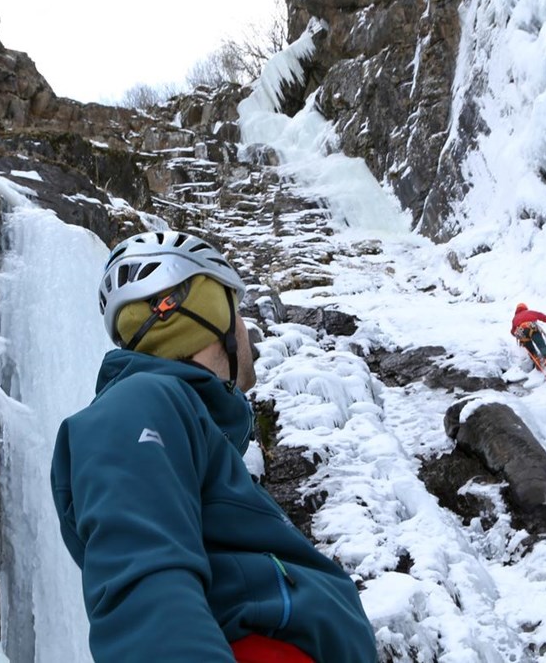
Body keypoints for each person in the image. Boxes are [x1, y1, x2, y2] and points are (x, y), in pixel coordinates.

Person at [51, 231, 377, 662]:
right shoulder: (140, 404)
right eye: (234, 310)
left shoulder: (182, 423)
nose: (245, 331)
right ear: (200, 316)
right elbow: (148, 594)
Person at [511, 302, 546, 371]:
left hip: (522, 332)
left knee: (529, 346)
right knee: (540, 344)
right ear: (525, 308)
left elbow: (513, 331)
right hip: (532, 328)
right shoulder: (530, 312)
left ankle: (536, 359)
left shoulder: (515, 319)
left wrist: (518, 337)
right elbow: (544, 318)